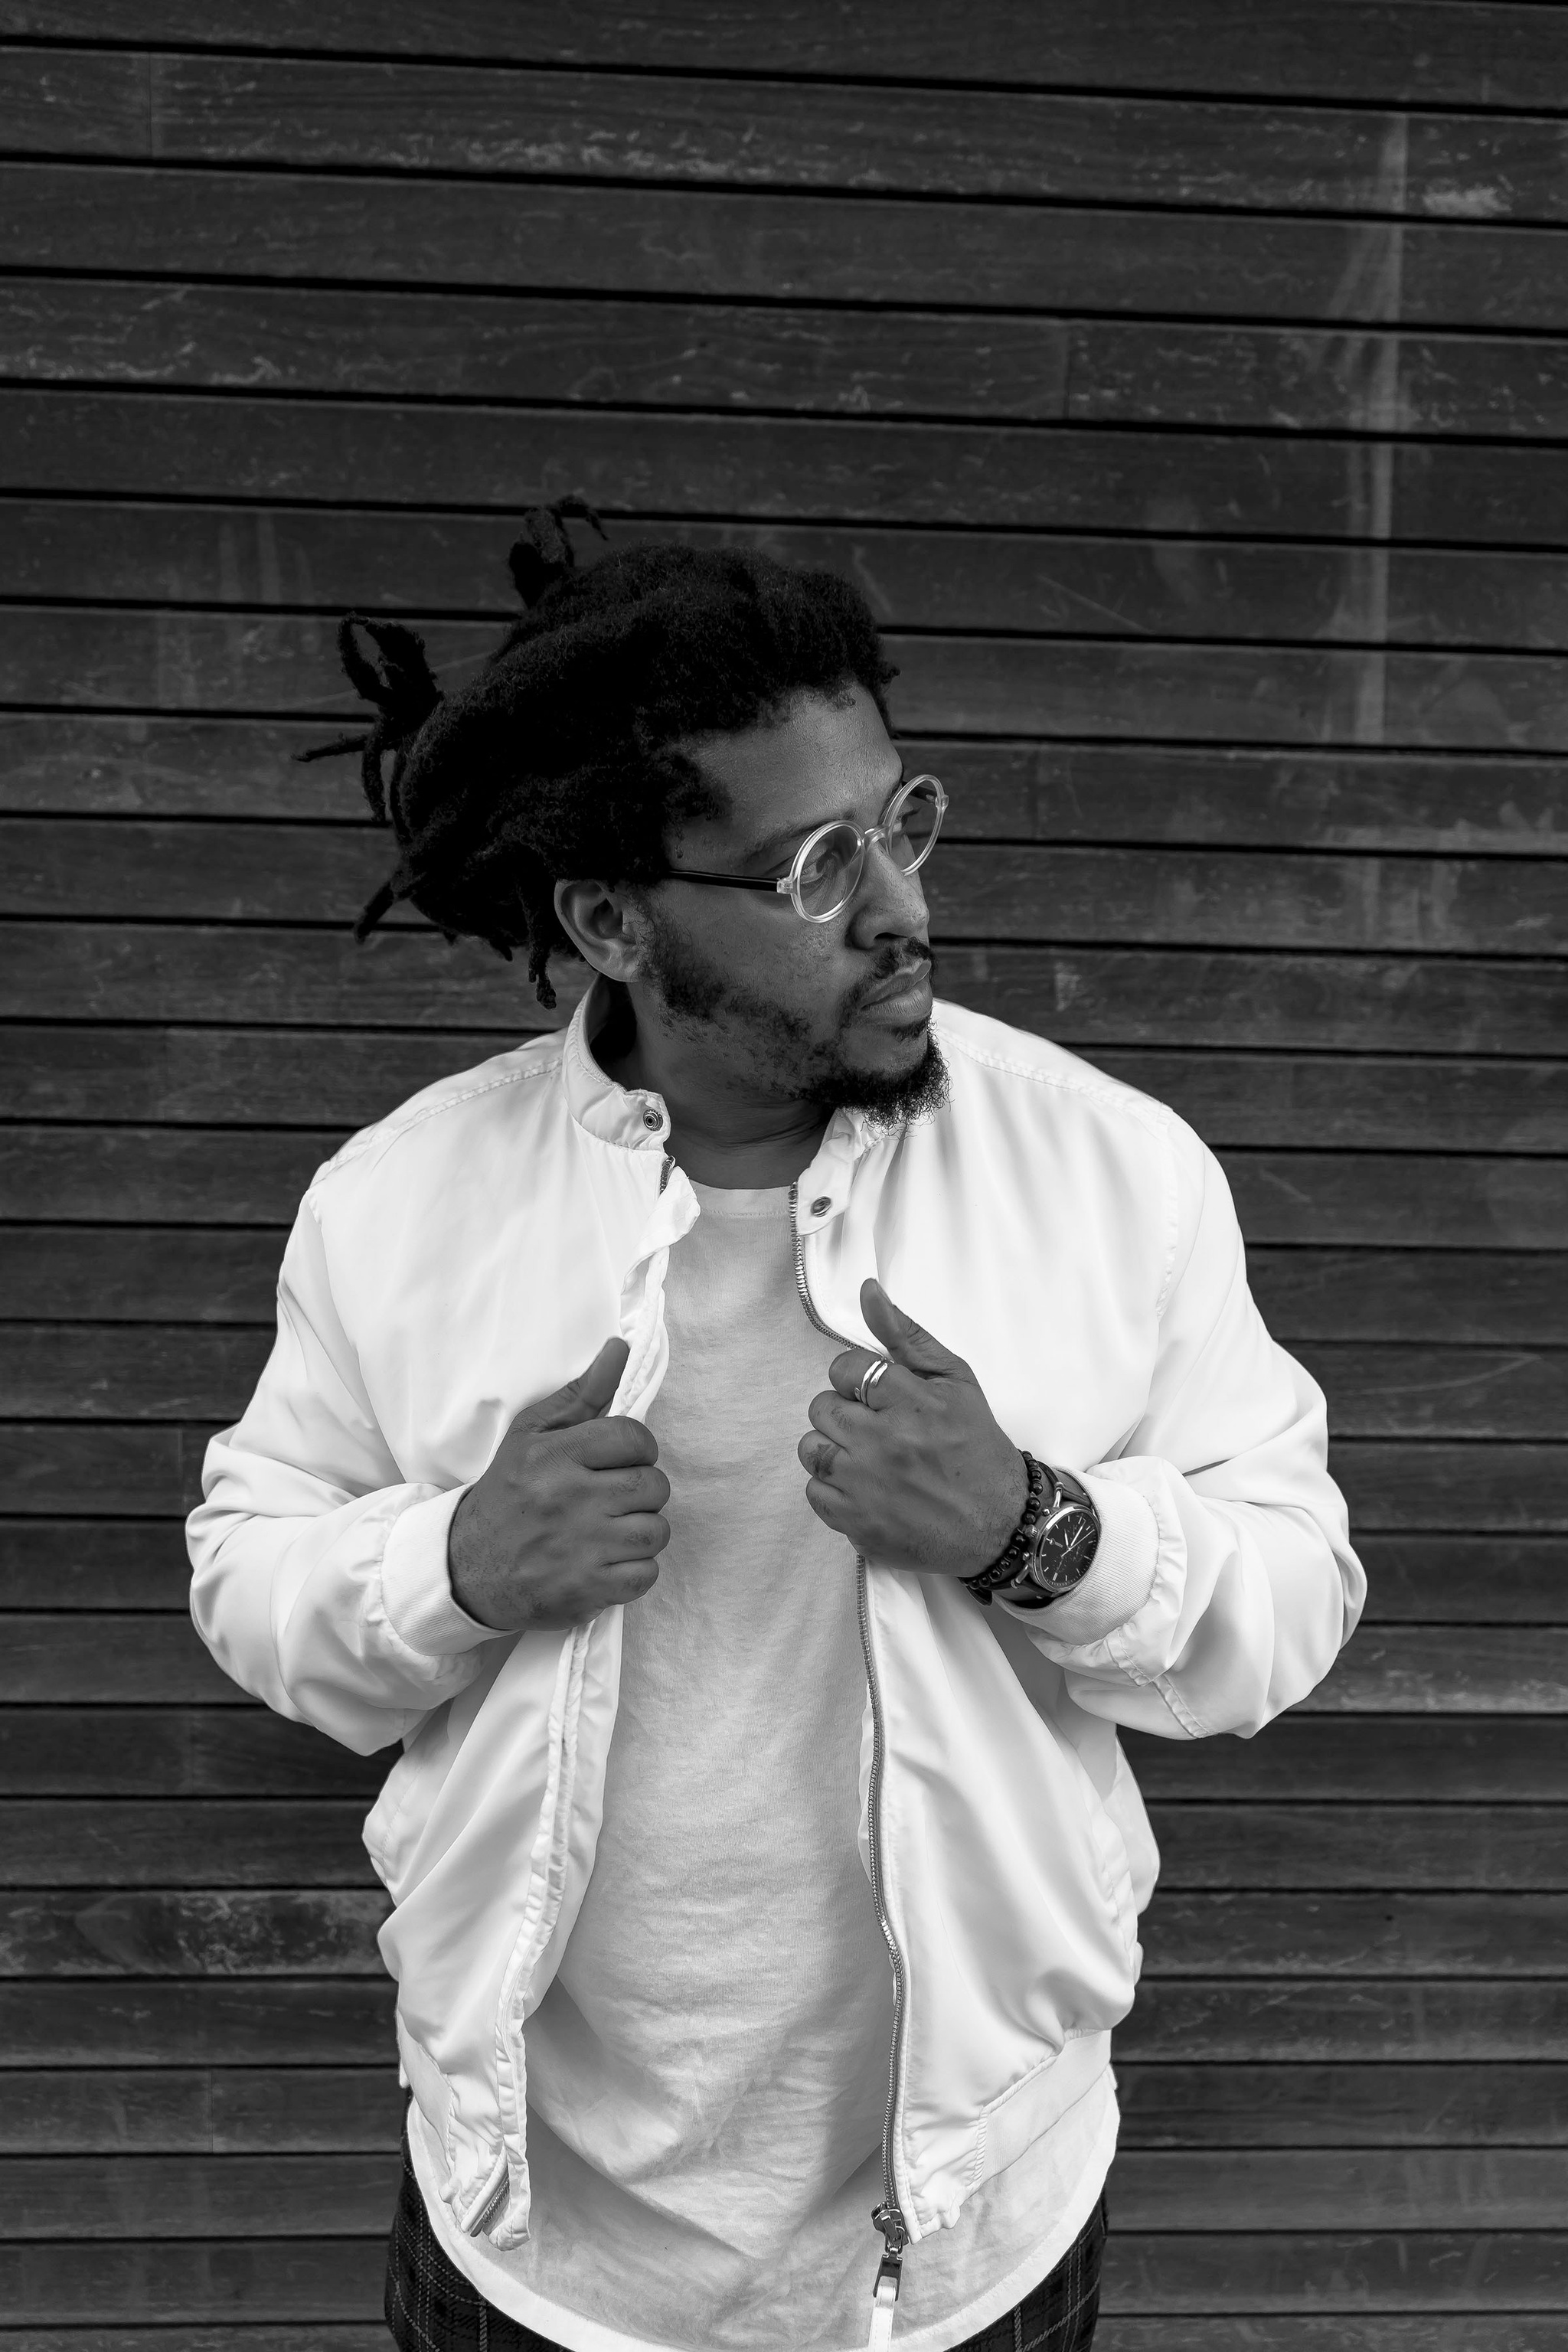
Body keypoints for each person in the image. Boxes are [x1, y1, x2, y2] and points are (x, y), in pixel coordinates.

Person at [187, 505, 1364, 2352]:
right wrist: (450, 1565)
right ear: (609, 921)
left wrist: (1037, 1529)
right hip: (532, 2239)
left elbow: (1291, 1600)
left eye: (900, 822)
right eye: (817, 866)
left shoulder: (1110, 1174)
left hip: (969, 2245)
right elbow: (250, 1567)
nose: (904, 907)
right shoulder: (399, 1201)